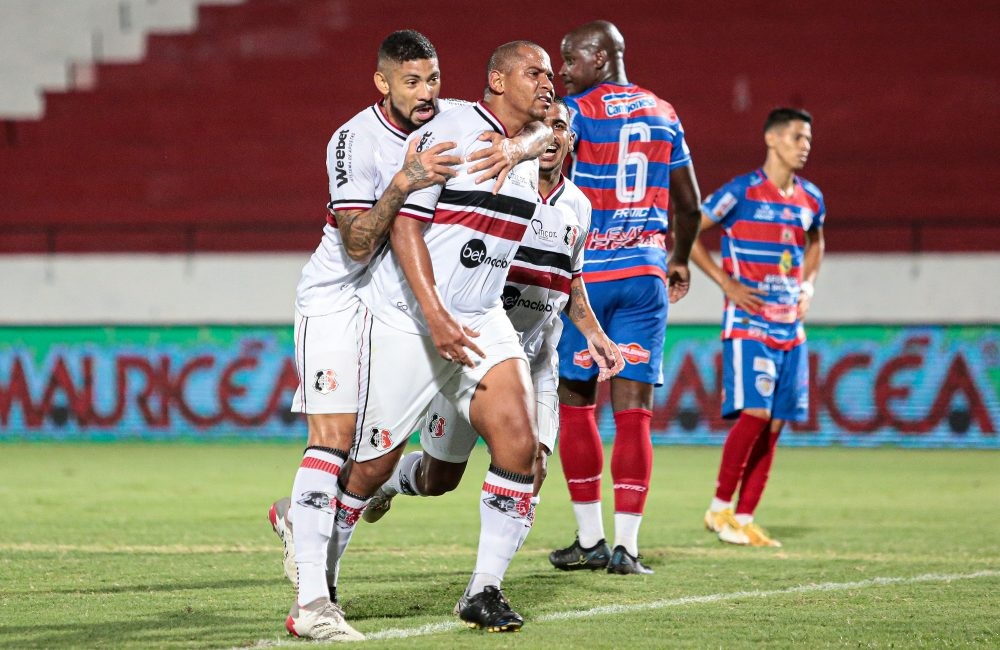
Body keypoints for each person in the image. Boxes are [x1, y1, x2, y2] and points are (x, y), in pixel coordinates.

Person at [274, 30, 552, 642]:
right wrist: (404, 185)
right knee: (357, 459)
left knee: (520, 443)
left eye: (433, 80)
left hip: (477, 313)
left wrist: (521, 144)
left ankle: (483, 589)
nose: (427, 93)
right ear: (383, 82)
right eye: (412, 82)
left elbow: (555, 126)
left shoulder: (492, 129)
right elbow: (368, 240)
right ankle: (316, 582)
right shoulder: (374, 138)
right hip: (376, 304)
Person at [360, 98, 624, 544]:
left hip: (536, 358)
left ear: (570, 139)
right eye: (544, 125)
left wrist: (595, 333)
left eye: (560, 127)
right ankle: (388, 483)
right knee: (438, 478)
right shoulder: (498, 184)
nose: (551, 135)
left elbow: (572, 277)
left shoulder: (579, 206)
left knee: (533, 465)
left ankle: (489, 577)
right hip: (476, 349)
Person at [549, 20, 702, 575]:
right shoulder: (665, 112)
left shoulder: (575, 112)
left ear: (599, 57)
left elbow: (548, 174)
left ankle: (590, 539)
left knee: (576, 402)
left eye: (570, 59)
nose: (562, 71)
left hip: (586, 279)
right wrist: (679, 258)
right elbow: (691, 206)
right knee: (634, 412)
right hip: (644, 276)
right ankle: (627, 548)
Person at [695, 107, 825, 548]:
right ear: (771, 138)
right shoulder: (741, 191)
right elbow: (689, 229)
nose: (804, 146)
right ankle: (719, 507)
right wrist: (725, 282)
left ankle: (744, 517)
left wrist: (807, 285)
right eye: (796, 137)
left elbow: (817, 241)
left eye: (808, 139)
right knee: (757, 414)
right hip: (749, 322)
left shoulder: (811, 198)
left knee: (775, 424)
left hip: (791, 327)